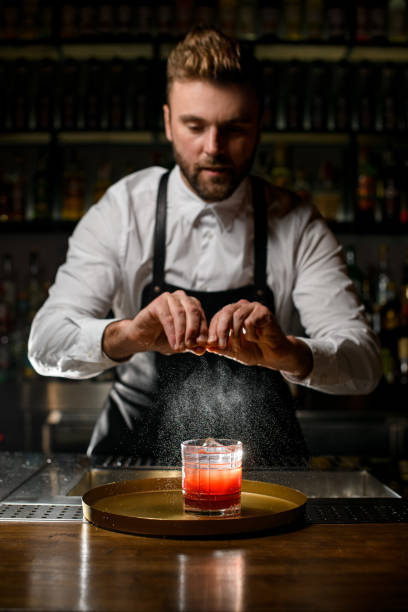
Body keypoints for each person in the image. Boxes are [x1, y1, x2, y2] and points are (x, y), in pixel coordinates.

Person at [28, 27, 382, 466]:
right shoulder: (123, 211)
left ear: (258, 125)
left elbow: (365, 365)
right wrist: (130, 334)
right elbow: (45, 342)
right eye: (194, 126)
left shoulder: (297, 223)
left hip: (264, 473)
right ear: (167, 122)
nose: (213, 148)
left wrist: (289, 353)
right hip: (128, 470)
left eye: (234, 128)